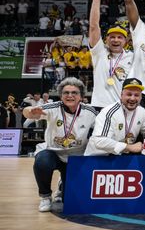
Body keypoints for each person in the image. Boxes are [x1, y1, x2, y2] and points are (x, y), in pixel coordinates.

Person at [22, 77, 97, 212]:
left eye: (74, 93)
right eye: (66, 93)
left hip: (76, 157)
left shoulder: (90, 112)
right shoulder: (53, 107)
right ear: (61, 95)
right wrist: (30, 111)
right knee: (42, 161)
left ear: (81, 96)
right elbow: (29, 112)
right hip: (53, 152)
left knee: (68, 200)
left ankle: (63, 185)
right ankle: (45, 196)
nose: (70, 96)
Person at [88, 0, 134, 110]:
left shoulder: (132, 57)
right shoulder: (99, 52)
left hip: (122, 107)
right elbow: (93, 27)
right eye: (112, 37)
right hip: (99, 106)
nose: (115, 40)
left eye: (120, 37)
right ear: (106, 40)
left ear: (126, 41)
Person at [85, 78, 145, 156]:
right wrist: (129, 147)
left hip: (120, 156)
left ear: (141, 97)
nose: (132, 98)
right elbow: (99, 141)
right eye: (129, 94)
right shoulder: (109, 112)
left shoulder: (141, 111)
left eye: (136, 95)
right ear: (121, 95)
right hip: (98, 157)